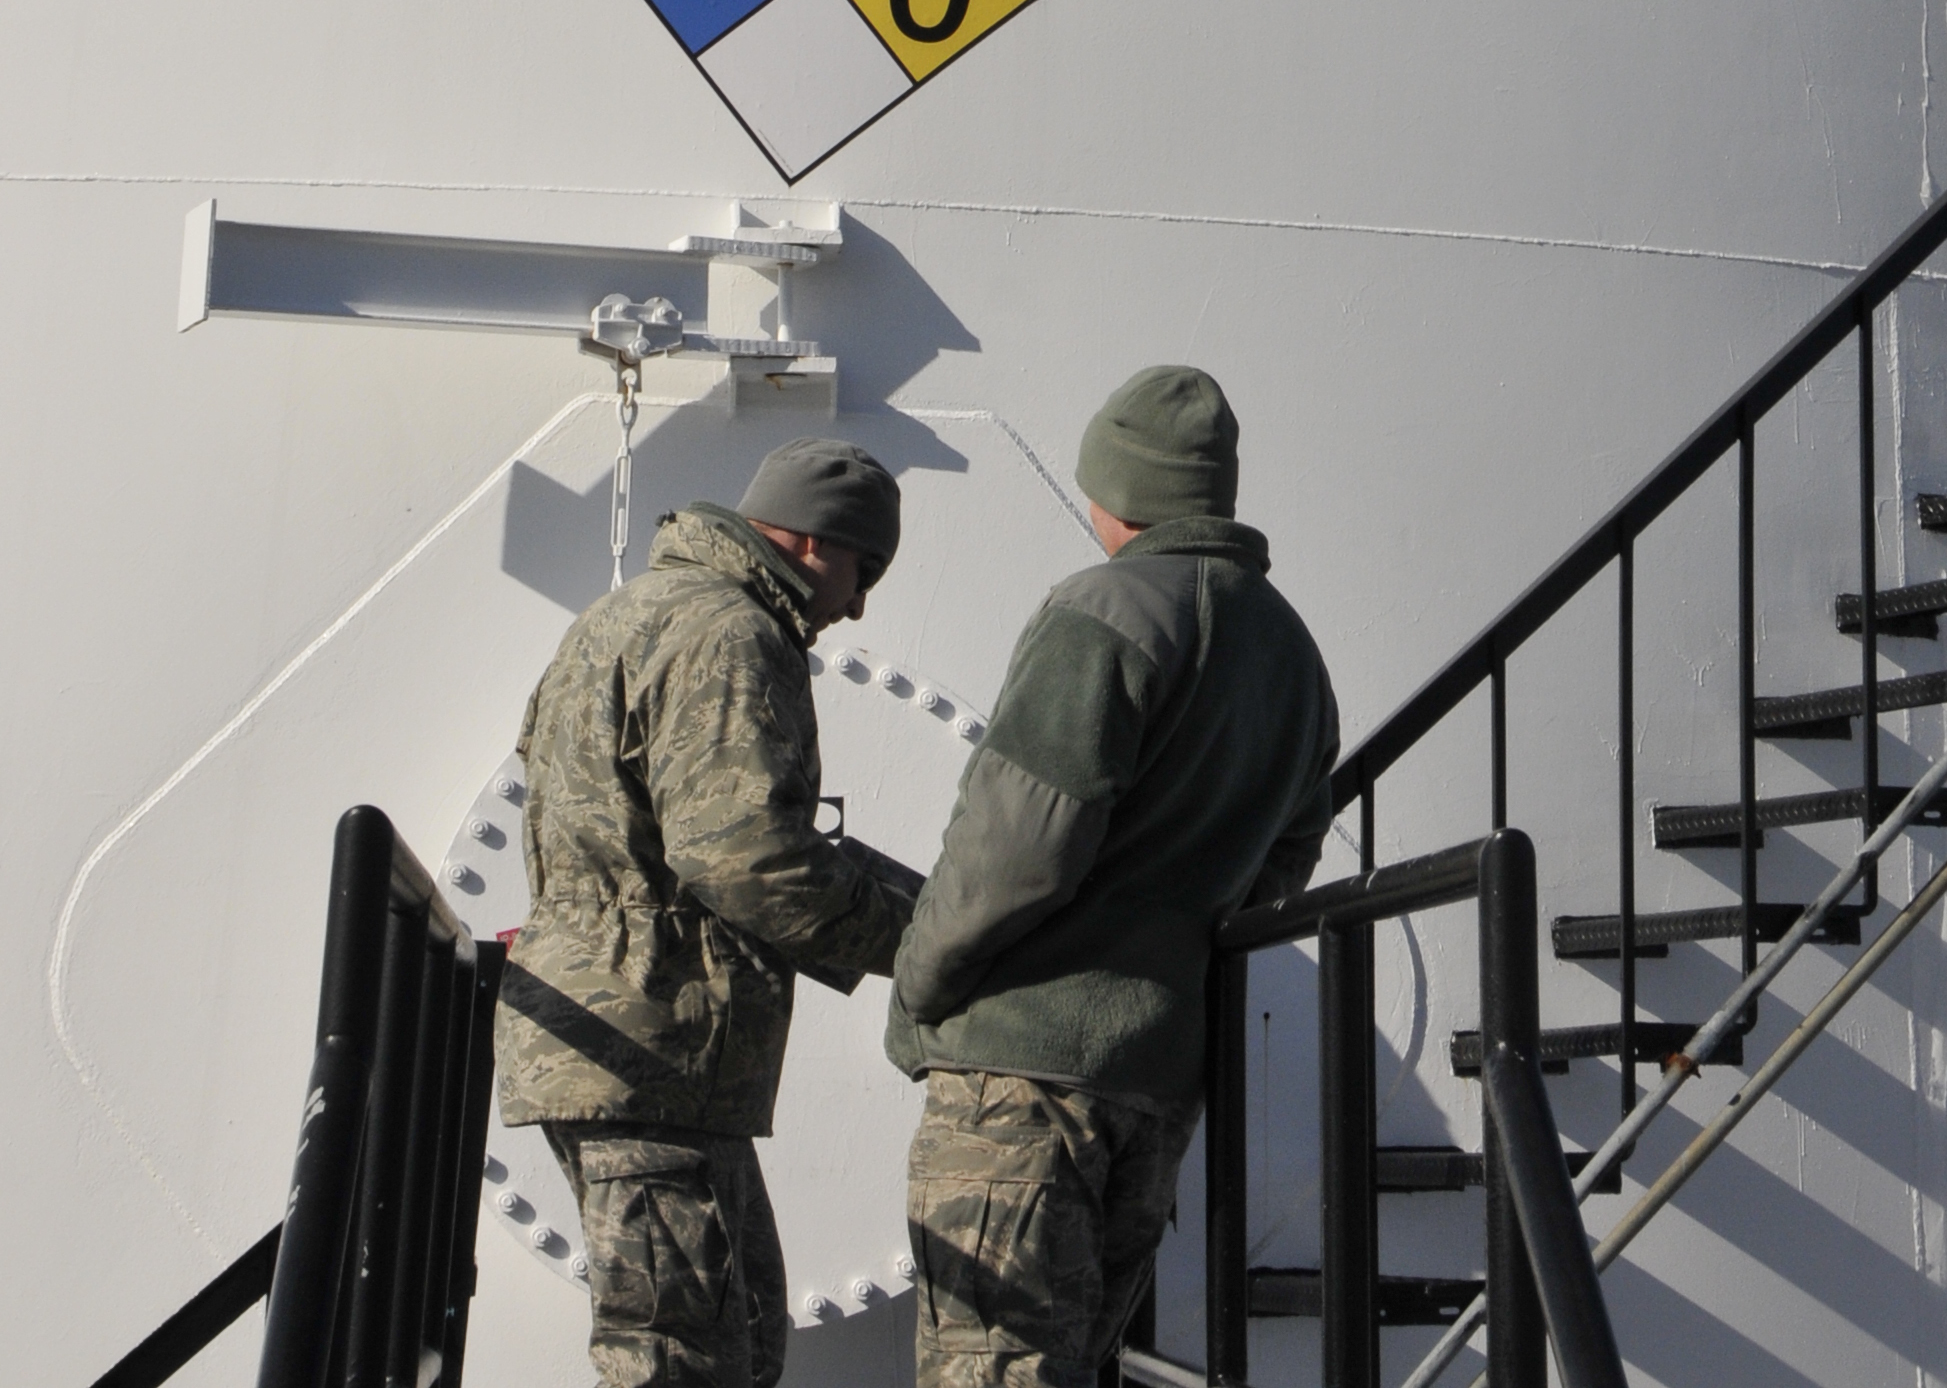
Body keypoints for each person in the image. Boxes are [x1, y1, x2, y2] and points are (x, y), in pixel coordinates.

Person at [889, 364, 1338, 1388]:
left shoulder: (1104, 610)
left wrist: (922, 981)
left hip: (1023, 1065)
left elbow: (1015, 844)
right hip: (1155, 1074)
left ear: (1114, 487)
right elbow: (1288, 854)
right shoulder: (1289, 648)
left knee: (990, 1364)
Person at [496, 437, 912, 1388]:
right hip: (653, 1048)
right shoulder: (729, 633)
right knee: (675, 1359)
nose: (855, 606)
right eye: (863, 569)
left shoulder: (626, 616)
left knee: (740, 1340)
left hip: (640, 1049)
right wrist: (929, 941)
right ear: (813, 544)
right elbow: (746, 857)